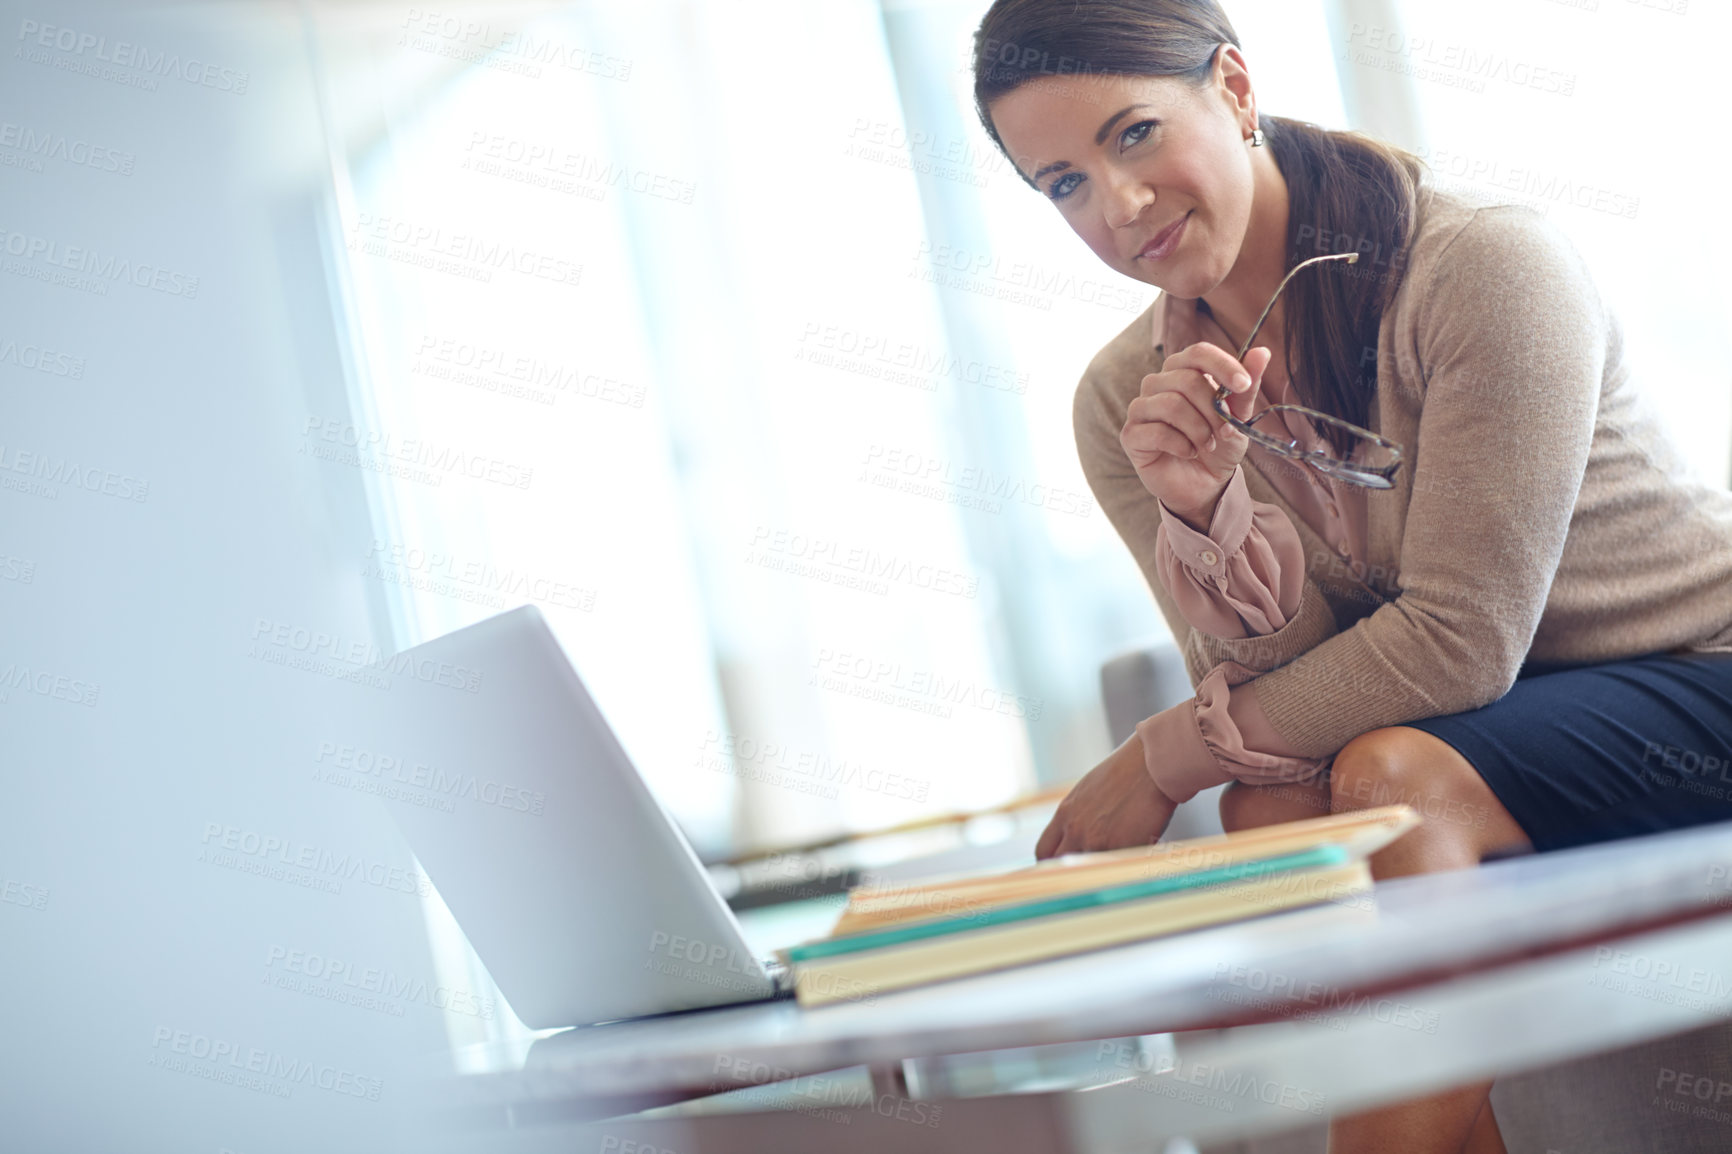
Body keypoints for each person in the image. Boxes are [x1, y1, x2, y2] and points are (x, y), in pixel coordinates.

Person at [970, 1, 1732, 1151]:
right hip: (1496, 721)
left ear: (1233, 87)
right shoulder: (1123, 399)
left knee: (1386, 776)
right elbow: (1278, 700)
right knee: (1271, 805)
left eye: (1132, 135)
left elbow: (1457, 641)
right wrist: (1208, 511)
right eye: (1062, 184)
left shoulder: (1481, 264)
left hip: (1695, 672)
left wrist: (1158, 754)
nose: (1119, 207)